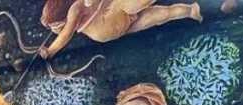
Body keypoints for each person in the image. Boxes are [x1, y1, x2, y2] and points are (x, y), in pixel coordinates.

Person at [39, 0, 201, 60]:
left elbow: (63, 31)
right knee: (137, 5)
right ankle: (190, 11)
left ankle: (190, 10)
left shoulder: (76, 9)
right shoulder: (75, 8)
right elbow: (65, 34)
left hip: (107, 31)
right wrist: (51, 51)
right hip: (109, 21)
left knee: (155, 16)